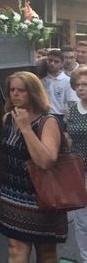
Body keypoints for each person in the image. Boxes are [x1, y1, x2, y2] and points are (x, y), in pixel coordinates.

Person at [0, 71, 67, 262]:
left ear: (33, 93)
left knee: (46, 252)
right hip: (14, 194)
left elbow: (46, 161)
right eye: (12, 90)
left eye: (21, 90)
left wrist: (26, 129)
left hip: (42, 198)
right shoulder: (8, 119)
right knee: (15, 249)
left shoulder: (48, 122)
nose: (15, 94)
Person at [67, 65, 87, 263]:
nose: (81, 88)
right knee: (81, 220)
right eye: (78, 84)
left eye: (86, 84)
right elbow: (69, 138)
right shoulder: (72, 110)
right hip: (78, 171)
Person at [41, 49, 78, 125]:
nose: (52, 63)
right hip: (43, 115)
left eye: (56, 62)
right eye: (50, 60)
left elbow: (71, 103)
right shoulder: (42, 80)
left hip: (60, 117)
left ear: (62, 63)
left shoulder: (67, 81)